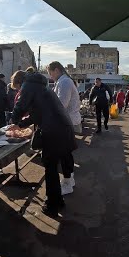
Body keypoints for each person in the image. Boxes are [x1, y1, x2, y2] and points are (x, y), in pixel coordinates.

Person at [11, 72, 77, 217]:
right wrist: (21, 124)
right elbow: (36, 114)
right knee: (51, 166)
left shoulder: (29, 85)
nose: (19, 92)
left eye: (17, 88)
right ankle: (57, 200)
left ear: (20, 82)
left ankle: (52, 205)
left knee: (50, 168)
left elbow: (20, 106)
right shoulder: (41, 87)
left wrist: (13, 122)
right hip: (62, 129)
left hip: (54, 132)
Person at [47, 61, 81, 195]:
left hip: (66, 122)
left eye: (50, 73)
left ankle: (67, 183)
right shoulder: (63, 81)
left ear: (56, 70)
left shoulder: (65, 82)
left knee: (64, 153)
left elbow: (61, 104)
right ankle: (69, 180)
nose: (50, 76)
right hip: (67, 121)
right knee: (66, 153)